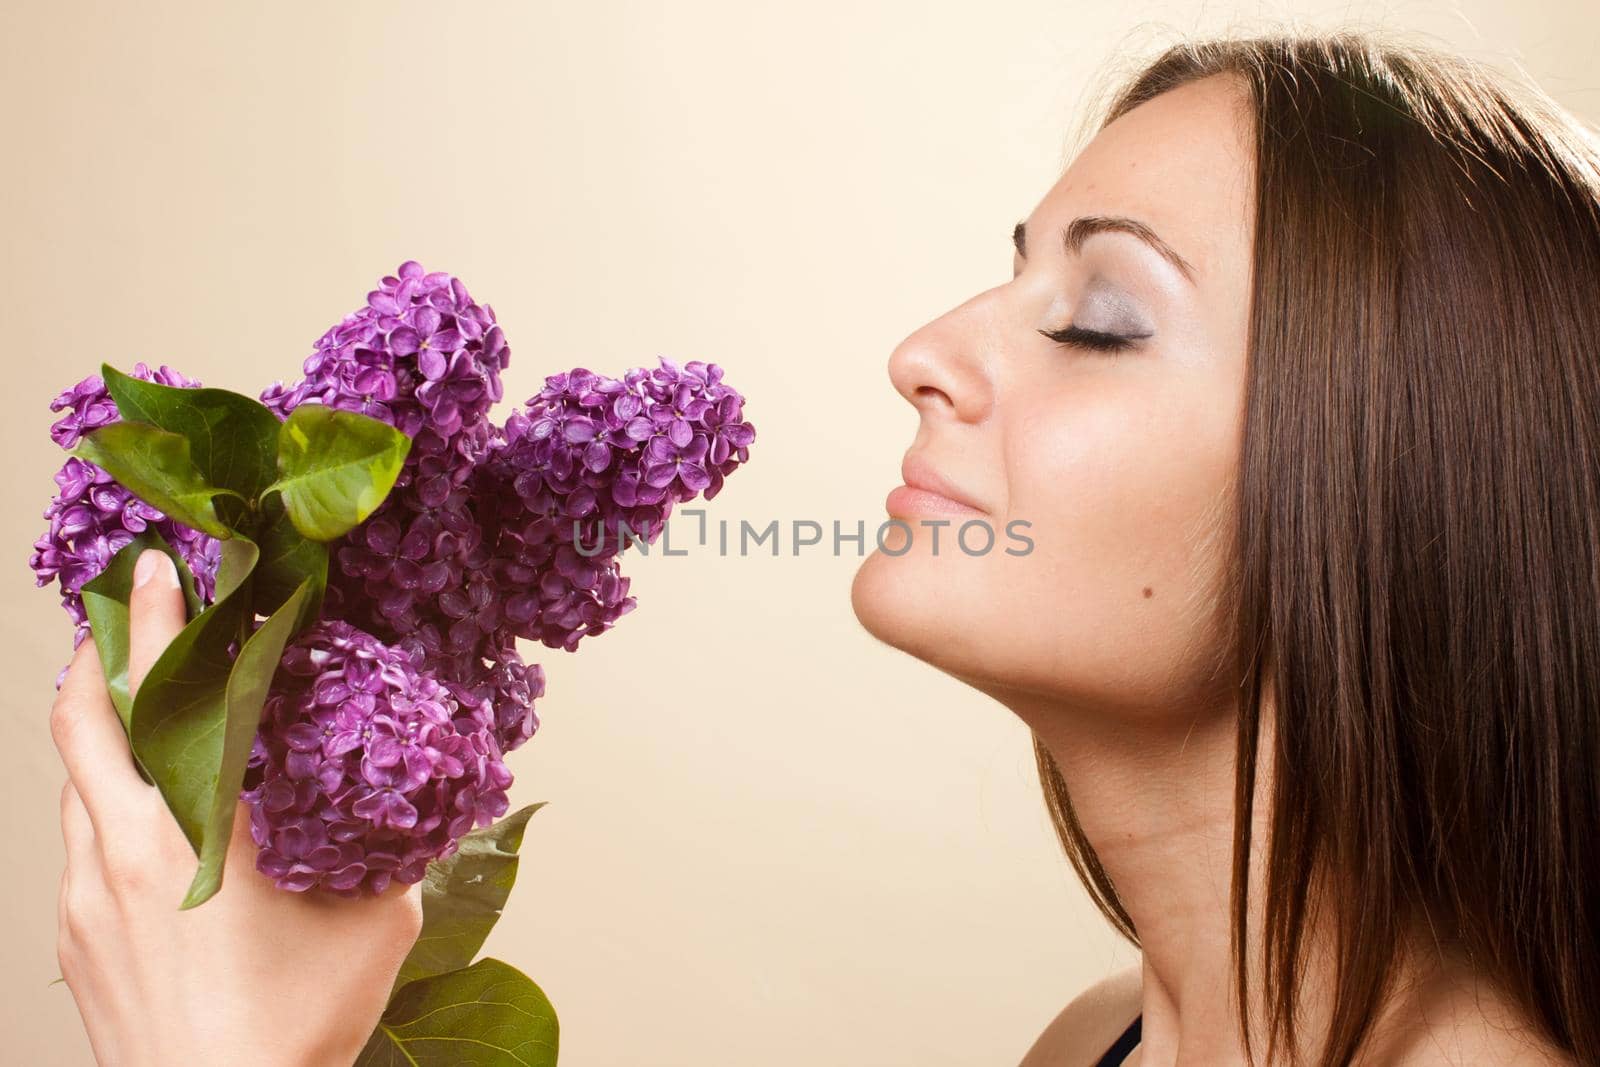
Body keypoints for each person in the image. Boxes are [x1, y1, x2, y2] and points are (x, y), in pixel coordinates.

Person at [52, 27, 1600, 1067]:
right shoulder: (1102, 1044)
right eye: (1004, 280)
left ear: (1401, 482)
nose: (925, 350)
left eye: (1101, 319)